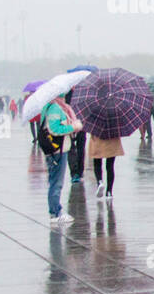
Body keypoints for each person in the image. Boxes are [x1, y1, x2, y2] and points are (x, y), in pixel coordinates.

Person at [39, 95, 81, 225]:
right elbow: (55, 129)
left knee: (55, 182)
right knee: (56, 183)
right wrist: (73, 127)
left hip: (58, 150)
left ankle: (55, 211)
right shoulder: (54, 109)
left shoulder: (52, 107)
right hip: (57, 151)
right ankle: (55, 212)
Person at [86, 129, 123, 200]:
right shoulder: (115, 118)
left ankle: (99, 181)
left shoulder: (96, 118)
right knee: (110, 166)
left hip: (98, 136)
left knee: (97, 163)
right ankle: (109, 191)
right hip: (112, 138)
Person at [65, 88, 87, 184]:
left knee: (77, 147)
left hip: (77, 123)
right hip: (75, 123)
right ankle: (76, 172)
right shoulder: (84, 92)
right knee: (74, 147)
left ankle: (77, 172)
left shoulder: (67, 93)